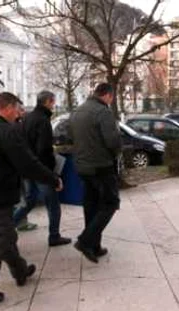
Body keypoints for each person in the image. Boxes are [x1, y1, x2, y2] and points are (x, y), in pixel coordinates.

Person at [0, 92, 62, 308]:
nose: (19, 114)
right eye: (17, 109)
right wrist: (53, 178)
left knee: (6, 235)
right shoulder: (7, 131)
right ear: (8, 107)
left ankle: (20, 270)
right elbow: (27, 163)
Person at [69, 83, 121, 263]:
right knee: (110, 203)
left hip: (83, 167)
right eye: (112, 97)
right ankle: (85, 241)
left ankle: (94, 246)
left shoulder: (78, 111)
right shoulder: (103, 112)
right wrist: (117, 152)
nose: (111, 100)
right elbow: (112, 141)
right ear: (107, 95)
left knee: (91, 206)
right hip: (101, 166)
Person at [14, 90, 71, 246]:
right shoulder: (43, 121)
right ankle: (54, 236)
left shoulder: (27, 118)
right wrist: (52, 174)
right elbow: (44, 150)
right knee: (53, 205)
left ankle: (7, 228)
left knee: (30, 201)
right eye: (53, 101)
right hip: (40, 170)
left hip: (26, 168)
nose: (54, 104)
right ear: (47, 102)